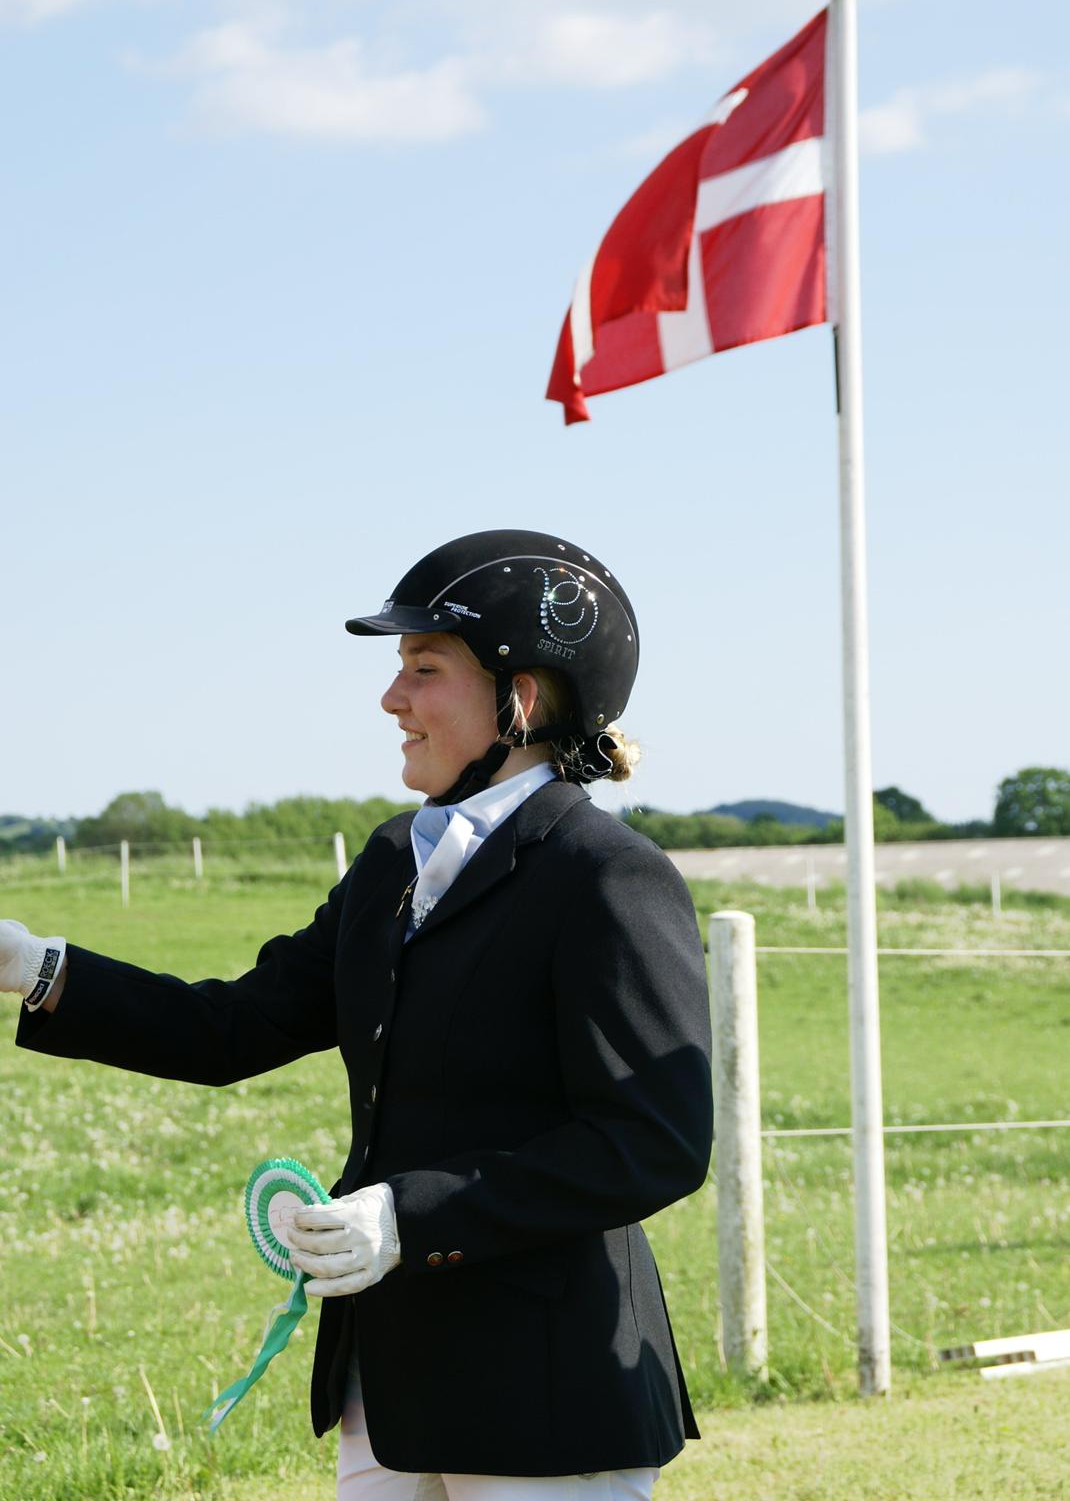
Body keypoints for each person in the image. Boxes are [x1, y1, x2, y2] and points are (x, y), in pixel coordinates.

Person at [2, 528, 713, 1501]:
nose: (392, 699)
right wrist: (34, 965)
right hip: (387, 1377)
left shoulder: (606, 876)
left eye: (424, 669)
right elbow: (234, 1029)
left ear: (524, 697)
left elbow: (654, 1141)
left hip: (548, 1389)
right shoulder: (391, 860)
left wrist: (405, 1215)